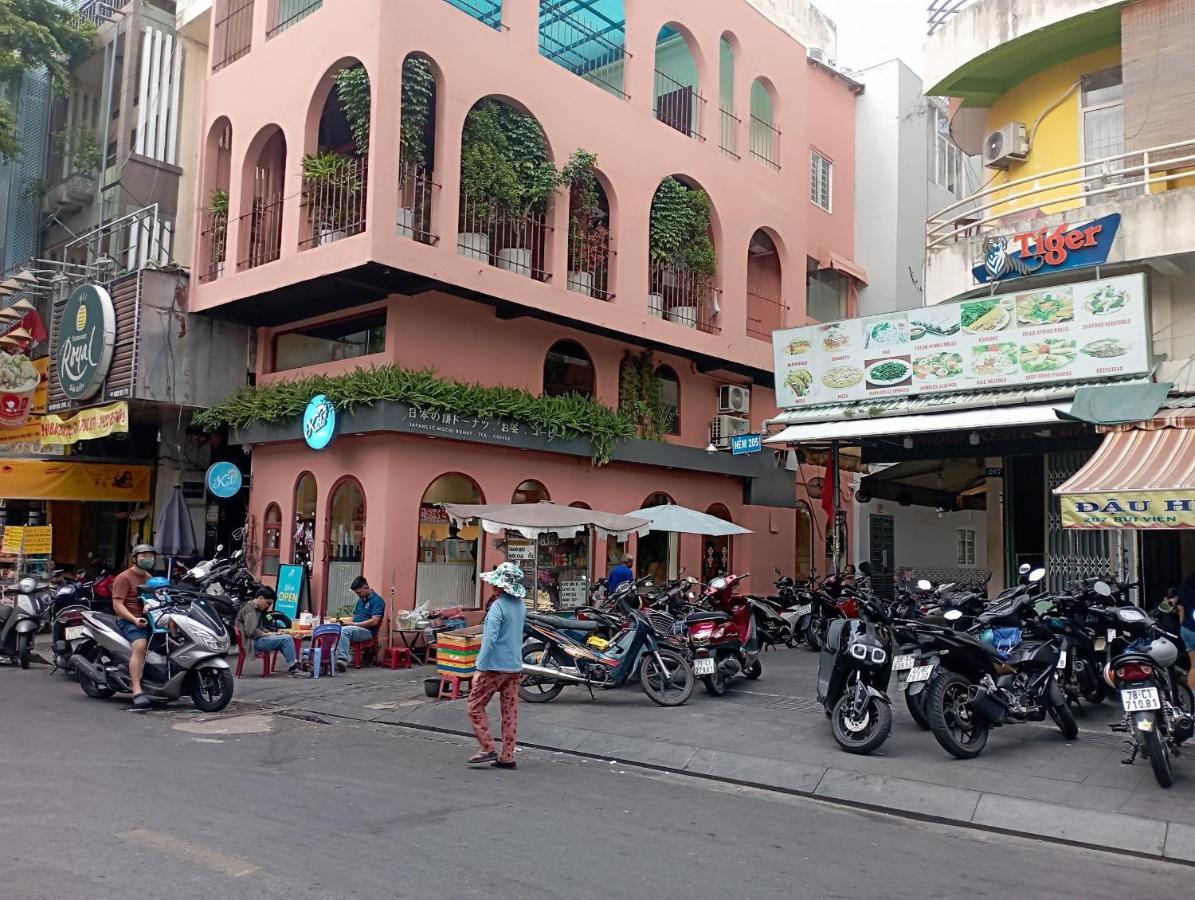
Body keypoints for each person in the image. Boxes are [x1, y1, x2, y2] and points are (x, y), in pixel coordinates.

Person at [467, 563, 527, 770]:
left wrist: (479, 668)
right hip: (514, 666)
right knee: (509, 712)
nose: (492, 587)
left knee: (474, 705)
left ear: (499, 587)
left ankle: (487, 746)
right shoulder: (521, 606)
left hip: (494, 667)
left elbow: (489, 639)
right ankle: (508, 756)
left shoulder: (498, 606)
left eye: (494, 584)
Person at [111, 544, 157, 709]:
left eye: (150, 556)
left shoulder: (149, 578)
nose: (148, 559)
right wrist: (134, 619)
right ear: (135, 558)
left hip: (148, 618)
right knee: (140, 646)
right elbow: (118, 605)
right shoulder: (124, 578)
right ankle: (136, 690)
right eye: (143, 556)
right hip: (128, 619)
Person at [236, 586, 303, 677]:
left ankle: (293, 665)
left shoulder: (254, 609)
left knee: (283, 637)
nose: (268, 606)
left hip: (254, 640)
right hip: (252, 642)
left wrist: (269, 632)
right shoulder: (250, 610)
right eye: (268, 603)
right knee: (286, 639)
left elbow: (258, 627)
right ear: (260, 598)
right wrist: (266, 634)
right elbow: (251, 631)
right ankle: (294, 667)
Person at [337, 575, 386, 671]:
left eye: (359, 592)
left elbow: (375, 621)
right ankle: (323, 658)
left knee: (344, 631)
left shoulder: (378, 601)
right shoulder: (360, 601)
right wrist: (346, 622)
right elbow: (354, 618)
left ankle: (343, 659)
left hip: (368, 631)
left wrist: (355, 624)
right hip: (355, 628)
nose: (358, 595)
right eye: (356, 593)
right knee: (333, 628)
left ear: (366, 587)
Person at [1173, 584, 1195, 694]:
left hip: (1186, 629)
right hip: (1192, 629)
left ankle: (1193, 695)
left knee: (1194, 665)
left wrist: (1182, 626)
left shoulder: (1186, 585)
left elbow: (1180, 608)